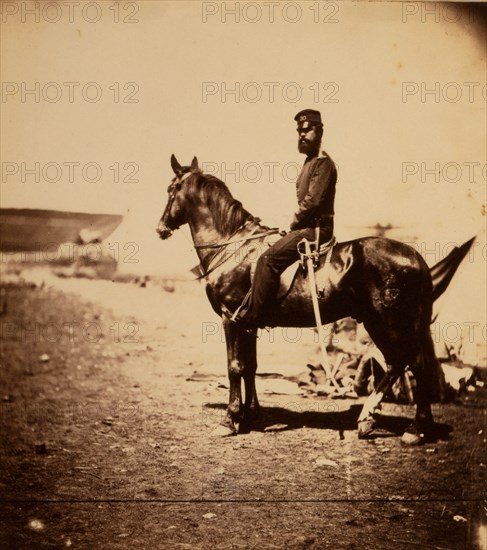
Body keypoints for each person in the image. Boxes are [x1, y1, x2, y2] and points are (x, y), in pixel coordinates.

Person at [233, 109, 337, 328]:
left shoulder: (323, 163)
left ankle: (255, 318)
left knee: (267, 260)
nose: (302, 134)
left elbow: (312, 203)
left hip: (316, 229)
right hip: (306, 227)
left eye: (307, 130)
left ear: (319, 131)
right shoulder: (309, 163)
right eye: (299, 130)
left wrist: (290, 224)